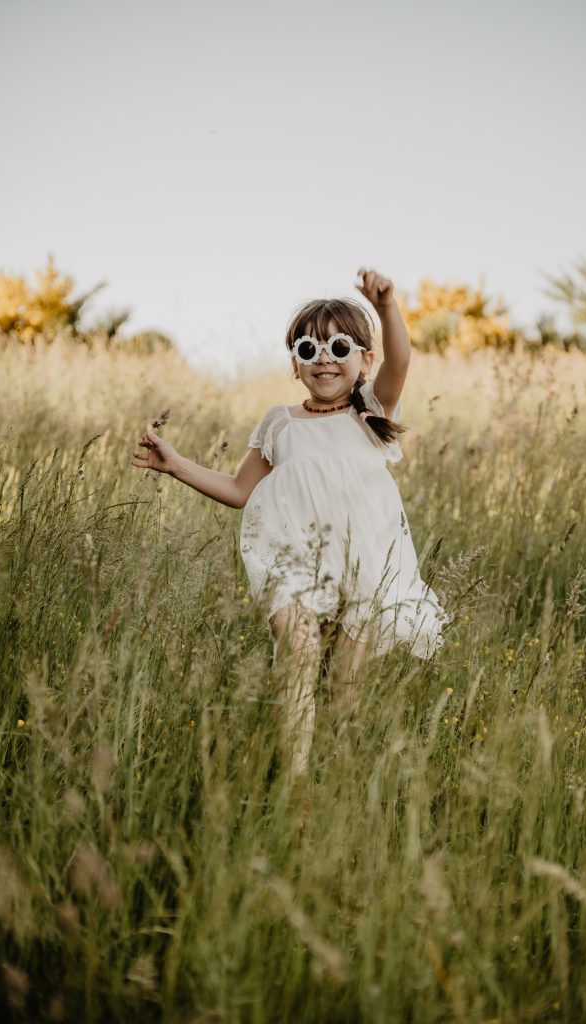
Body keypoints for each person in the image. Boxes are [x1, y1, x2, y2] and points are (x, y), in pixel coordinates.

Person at [131, 267, 449, 779]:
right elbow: (240, 491)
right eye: (308, 349)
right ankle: (296, 777)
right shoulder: (280, 423)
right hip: (295, 560)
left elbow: (403, 358)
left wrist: (387, 306)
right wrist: (177, 465)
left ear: (365, 360)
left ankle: (335, 774)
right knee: (298, 647)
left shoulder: (370, 413)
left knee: (345, 684)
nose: (323, 358)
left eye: (339, 347)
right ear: (295, 366)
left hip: (366, 565)